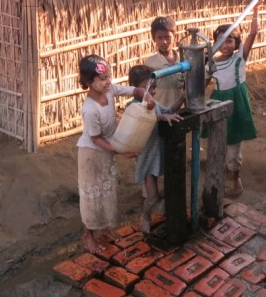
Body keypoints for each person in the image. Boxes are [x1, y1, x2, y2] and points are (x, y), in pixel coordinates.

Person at [76, 54, 154, 253]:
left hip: (107, 151)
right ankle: (88, 235)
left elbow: (132, 90)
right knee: (92, 196)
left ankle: (107, 229)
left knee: (107, 192)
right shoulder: (90, 109)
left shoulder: (109, 91)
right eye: (102, 79)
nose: (108, 81)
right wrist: (120, 149)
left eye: (108, 76)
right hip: (92, 155)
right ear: (88, 82)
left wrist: (146, 95)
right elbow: (96, 139)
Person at [208, 0, 266, 197]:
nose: (226, 45)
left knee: (234, 146)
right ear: (215, 43)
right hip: (217, 102)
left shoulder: (240, 57)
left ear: (236, 43)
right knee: (218, 143)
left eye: (230, 41)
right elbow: (202, 83)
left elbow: (253, 33)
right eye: (221, 41)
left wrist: (256, 8)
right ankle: (220, 174)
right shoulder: (211, 64)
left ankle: (235, 176)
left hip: (236, 104)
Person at [127, 65, 184, 234]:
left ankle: (166, 215)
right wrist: (160, 117)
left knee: (169, 188)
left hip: (160, 152)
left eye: (154, 87)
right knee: (152, 196)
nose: (152, 91)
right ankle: (145, 216)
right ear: (135, 89)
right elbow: (144, 120)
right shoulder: (133, 106)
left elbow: (170, 110)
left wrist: (182, 98)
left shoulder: (155, 103)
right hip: (147, 155)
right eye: (147, 88)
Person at [144, 16, 185, 109]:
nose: (164, 42)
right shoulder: (150, 63)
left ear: (175, 36)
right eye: (160, 38)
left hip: (183, 111)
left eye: (168, 37)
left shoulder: (183, 59)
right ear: (154, 38)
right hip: (162, 113)